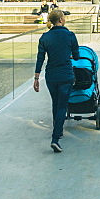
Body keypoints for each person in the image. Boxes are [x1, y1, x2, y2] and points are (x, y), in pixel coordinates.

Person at [33, 9, 80, 152]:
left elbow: (40, 58)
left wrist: (36, 78)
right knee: (62, 106)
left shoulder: (45, 37)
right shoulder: (70, 35)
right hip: (65, 75)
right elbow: (77, 56)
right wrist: (69, 56)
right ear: (60, 20)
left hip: (51, 76)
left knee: (55, 103)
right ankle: (55, 138)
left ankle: (58, 130)